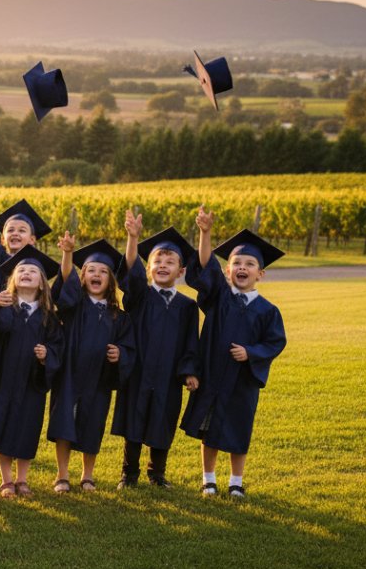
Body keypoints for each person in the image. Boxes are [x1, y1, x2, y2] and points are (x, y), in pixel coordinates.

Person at [182, 207, 287, 499]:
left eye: (250, 263)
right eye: (236, 262)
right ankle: (208, 479)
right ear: (227, 270)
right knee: (209, 429)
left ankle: (236, 481)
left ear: (260, 273)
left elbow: (276, 342)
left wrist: (251, 352)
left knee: (239, 430)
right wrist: (205, 233)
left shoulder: (268, 311)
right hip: (213, 374)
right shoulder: (219, 297)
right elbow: (205, 268)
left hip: (242, 381)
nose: (242, 267)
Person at [111, 213, 200, 490]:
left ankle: (157, 472)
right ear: (148, 268)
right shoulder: (140, 297)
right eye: (157, 262)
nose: (163, 265)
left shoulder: (187, 307)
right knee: (134, 421)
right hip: (138, 370)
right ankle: (129, 473)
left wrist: (189, 372)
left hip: (168, 376)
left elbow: (190, 343)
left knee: (163, 420)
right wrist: (133, 238)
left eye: (170, 262)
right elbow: (131, 275)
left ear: (181, 270)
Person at [48, 234, 137, 494]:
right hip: (69, 375)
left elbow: (128, 346)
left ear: (111, 280)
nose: (96, 275)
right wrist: (67, 254)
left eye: (103, 271)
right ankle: (62, 475)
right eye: (90, 271)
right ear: (82, 277)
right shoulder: (73, 306)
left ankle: (87, 476)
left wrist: (119, 354)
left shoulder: (119, 317)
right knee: (64, 423)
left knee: (92, 424)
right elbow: (66, 280)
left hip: (98, 379)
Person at [0, 245, 63, 498]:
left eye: (32, 271)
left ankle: (22, 480)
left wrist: (47, 355)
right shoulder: (3, 306)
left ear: (42, 283)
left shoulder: (49, 316)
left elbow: (57, 345)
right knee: (3, 424)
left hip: (30, 381)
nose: (26, 273)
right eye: (21, 269)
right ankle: (6, 480)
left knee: (26, 427)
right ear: (12, 278)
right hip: (3, 378)